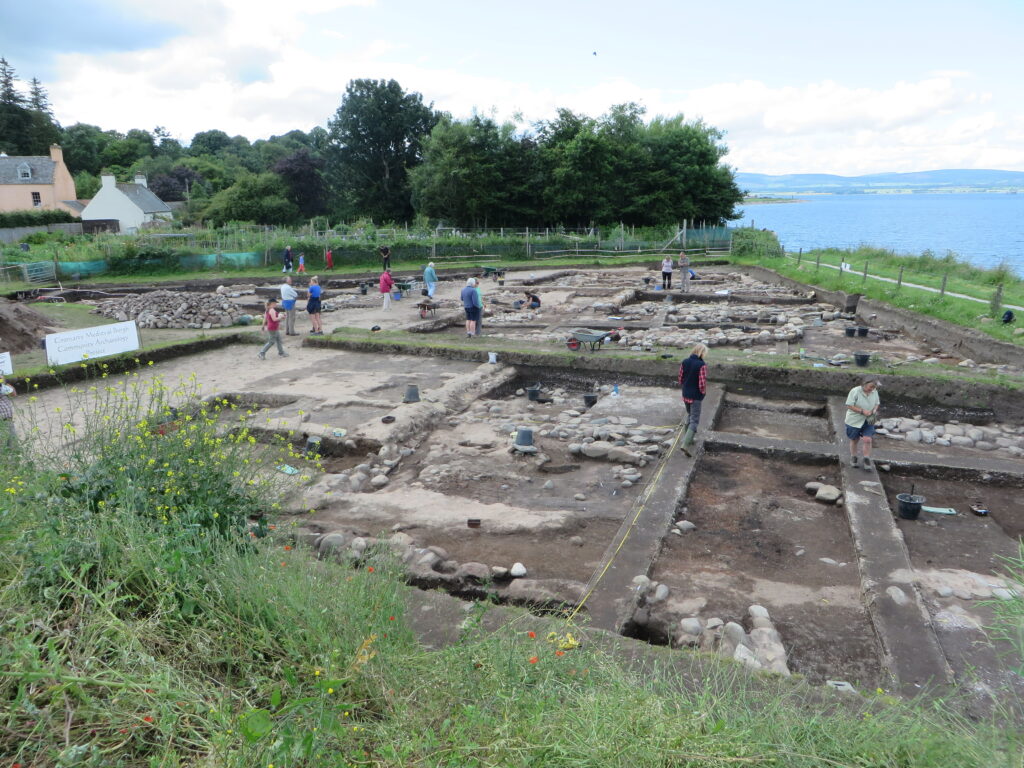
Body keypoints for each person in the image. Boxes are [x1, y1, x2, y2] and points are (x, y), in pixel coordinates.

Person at [678, 343, 708, 457]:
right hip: (696, 396)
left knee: (690, 415)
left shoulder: (685, 361)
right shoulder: (702, 365)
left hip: (685, 394)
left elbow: (680, 378)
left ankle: (688, 439)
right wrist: (703, 393)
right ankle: (685, 444)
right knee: (695, 420)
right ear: (702, 352)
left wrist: (686, 386)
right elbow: (702, 383)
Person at [845, 378, 880, 469]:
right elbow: (849, 405)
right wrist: (862, 411)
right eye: (871, 387)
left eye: (874, 387)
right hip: (854, 420)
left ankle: (866, 458)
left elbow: (877, 403)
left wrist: (874, 410)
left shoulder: (874, 391)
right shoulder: (855, 391)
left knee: (867, 439)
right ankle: (854, 457)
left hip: (869, 420)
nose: (872, 389)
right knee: (854, 439)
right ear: (864, 384)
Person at [0, 376, 17, 449]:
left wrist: (5, 383)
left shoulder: (4, 387)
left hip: (8, 419)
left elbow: (13, 394)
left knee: (13, 444)